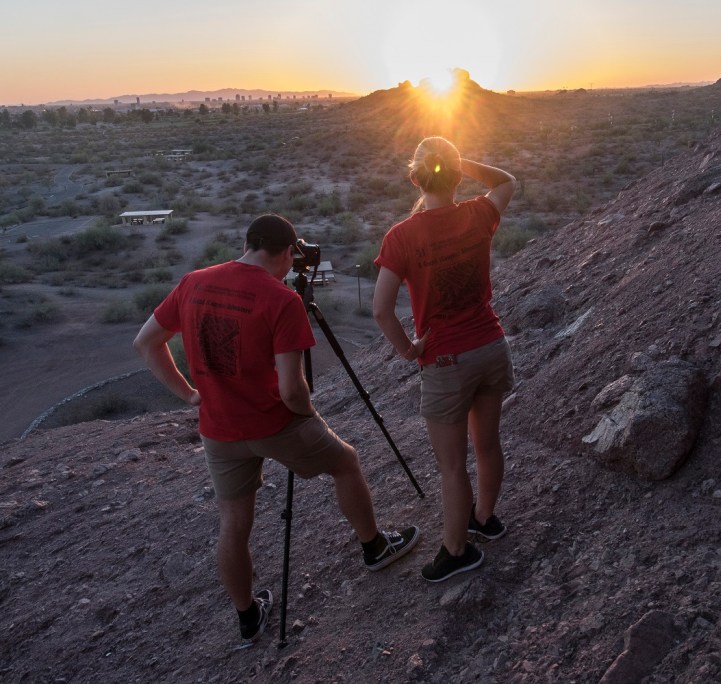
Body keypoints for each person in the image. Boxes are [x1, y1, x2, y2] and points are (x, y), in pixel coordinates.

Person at [133, 213, 419, 642]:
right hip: (275, 423)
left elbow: (146, 342)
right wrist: (308, 415)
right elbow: (291, 389)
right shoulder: (281, 300)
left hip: (218, 429)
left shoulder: (193, 281)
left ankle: (248, 617)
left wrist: (190, 394)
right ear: (287, 253)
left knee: (234, 522)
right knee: (345, 462)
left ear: (248, 244)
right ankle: (374, 547)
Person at [372, 137, 516, 583]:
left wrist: (410, 349)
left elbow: (381, 309)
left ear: (415, 177)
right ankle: (484, 519)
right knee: (487, 444)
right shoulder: (478, 213)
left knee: (452, 465)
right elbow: (506, 180)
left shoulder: (402, 236)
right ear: (456, 175)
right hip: (491, 345)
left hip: (447, 360)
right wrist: (455, 161)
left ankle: (457, 551)